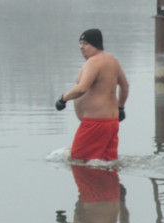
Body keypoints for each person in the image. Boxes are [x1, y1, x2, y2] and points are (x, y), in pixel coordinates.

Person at [55, 28, 129, 162]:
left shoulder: (93, 62)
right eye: (80, 43)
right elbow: (125, 86)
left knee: (78, 161)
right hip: (111, 123)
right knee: (108, 164)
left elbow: (82, 88)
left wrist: (63, 99)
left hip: (95, 124)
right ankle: (112, 183)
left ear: (95, 44)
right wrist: (121, 108)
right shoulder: (112, 60)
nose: (81, 47)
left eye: (85, 43)